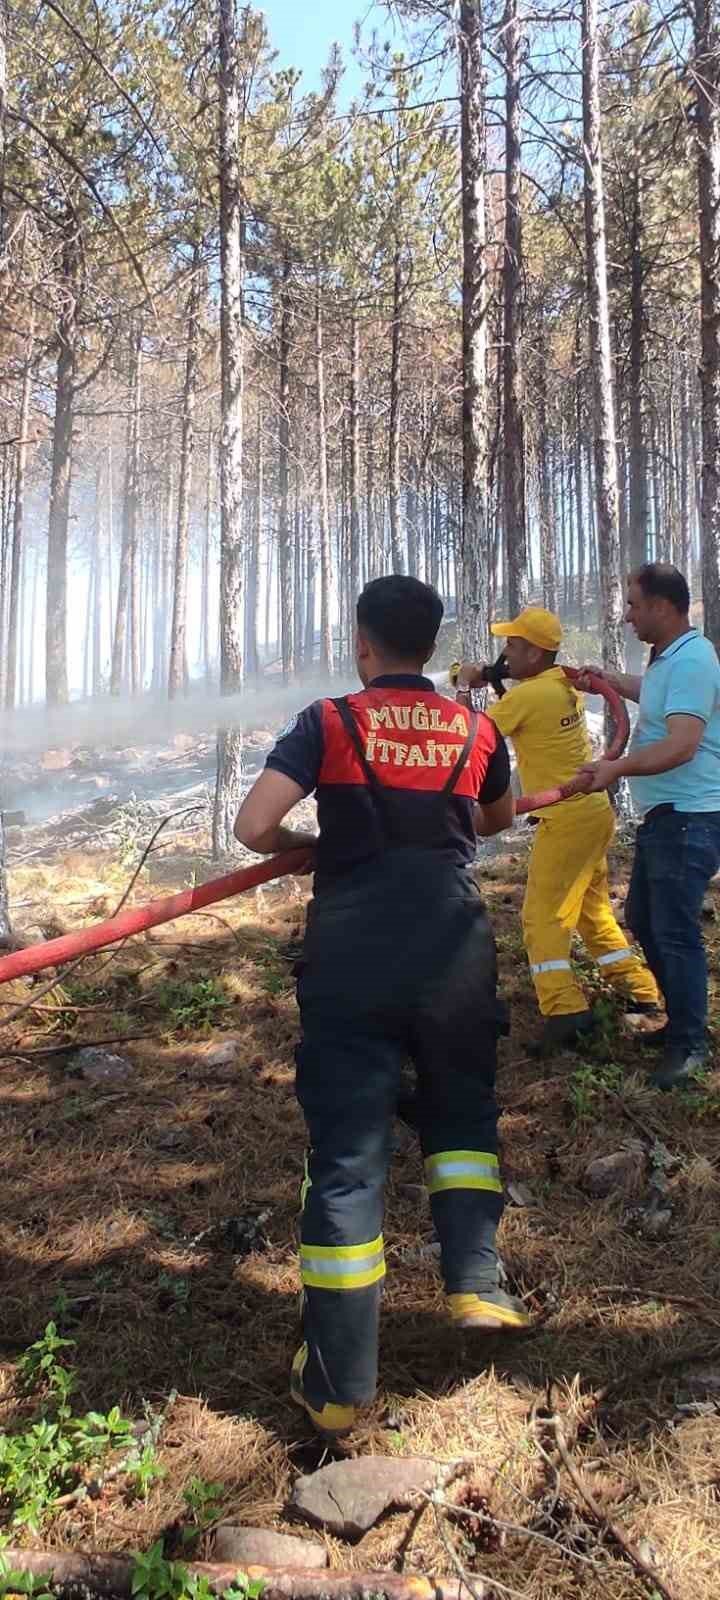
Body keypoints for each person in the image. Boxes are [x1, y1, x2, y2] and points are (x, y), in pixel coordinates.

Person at [233, 575, 529, 1440]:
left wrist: (309, 846)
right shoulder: (477, 725)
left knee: (348, 1156)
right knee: (463, 1118)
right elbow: (498, 816)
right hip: (454, 950)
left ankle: (335, 1384)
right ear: (431, 647)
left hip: (353, 956)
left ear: (363, 643)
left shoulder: (330, 723)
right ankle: (477, 1285)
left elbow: (253, 826)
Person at [457, 607, 660, 1054]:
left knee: (541, 918)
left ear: (533, 652)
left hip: (567, 820)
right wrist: (489, 678)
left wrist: (464, 685)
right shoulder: (554, 686)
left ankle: (565, 1011)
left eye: (512, 645)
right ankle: (641, 992)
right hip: (589, 814)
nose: (505, 652)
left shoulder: (530, 697)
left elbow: (470, 739)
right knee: (591, 913)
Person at [578, 562, 720, 1089]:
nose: (628, 617)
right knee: (643, 913)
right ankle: (681, 1024)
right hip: (668, 817)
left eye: (634, 605)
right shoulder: (668, 661)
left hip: (691, 816)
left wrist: (615, 768)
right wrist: (615, 683)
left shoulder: (692, 661)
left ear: (662, 606)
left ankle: (690, 1046)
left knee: (675, 929)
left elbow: (682, 744)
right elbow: (663, 704)